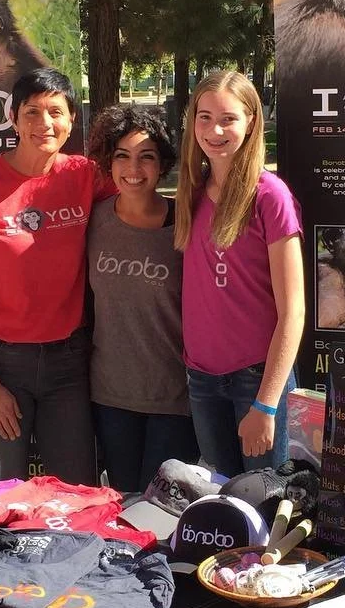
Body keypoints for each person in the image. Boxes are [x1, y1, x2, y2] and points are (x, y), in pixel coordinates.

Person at [0, 68, 114, 485]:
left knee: (74, 490)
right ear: (13, 119)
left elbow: (137, 204)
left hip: (69, 363)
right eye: (32, 112)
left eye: (55, 111)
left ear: (72, 119)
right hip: (2, 365)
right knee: (2, 489)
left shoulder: (87, 176)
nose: (44, 123)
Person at [174, 70, 305, 477]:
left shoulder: (270, 195)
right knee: (220, 500)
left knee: (263, 502)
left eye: (228, 118)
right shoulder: (191, 192)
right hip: (202, 381)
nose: (215, 130)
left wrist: (266, 404)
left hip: (257, 380)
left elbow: (293, 312)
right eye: (205, 117)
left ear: (250, 122)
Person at [86, 105, 199, 492]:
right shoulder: (93, 221)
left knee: (161, 511)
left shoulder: (186, 222)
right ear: (109, 162)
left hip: (175, 399)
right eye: (122, 155)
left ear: (162, 163)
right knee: (122, 503)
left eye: (146, 156)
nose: (133, 168)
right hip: (111, 396)